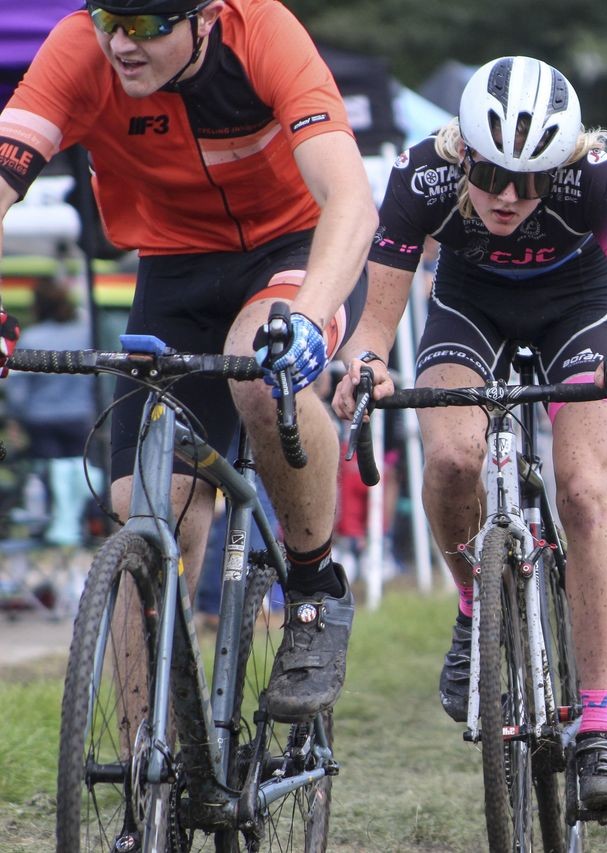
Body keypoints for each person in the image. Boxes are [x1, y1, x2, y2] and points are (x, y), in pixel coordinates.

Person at [0, 0, 379, 722]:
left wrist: (303, 320)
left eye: (145, 26)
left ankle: (312, 588)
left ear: (204, 17)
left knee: (260, 372)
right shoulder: (80, 49)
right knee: (140, 512)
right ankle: (154, 765)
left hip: (294, 246)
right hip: (174, 269)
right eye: (109, 19)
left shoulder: (262, 31)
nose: (120, 43)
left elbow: (351, 202)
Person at [332, 56, 607, 813]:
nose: (504, 196)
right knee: (455, 457)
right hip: (470, 308)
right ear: (464, 148)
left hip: (579, 309)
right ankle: (473, 610)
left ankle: (599, 727)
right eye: (491, 173)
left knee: (587, 491)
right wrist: (364, 367)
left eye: (528, 181)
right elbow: (374, 326)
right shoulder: (421, 175)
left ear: (557, 166)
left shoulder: (592, 176)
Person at [4, 275, 99, 546]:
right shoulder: (83, 333)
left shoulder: (33, 337)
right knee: (83, 470)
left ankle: (52, 524)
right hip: (79, 416)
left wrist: (15, 415)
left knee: (48, 473)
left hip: (40, 418)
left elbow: (18, 384)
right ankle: (88, 523)